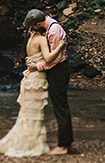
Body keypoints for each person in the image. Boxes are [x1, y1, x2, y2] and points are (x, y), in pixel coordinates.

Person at [0, 24, 67, 157]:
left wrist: (34, 65)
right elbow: (48, 58)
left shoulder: (30, 39)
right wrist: (60, 46)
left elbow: (33, 58)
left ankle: (26, 139)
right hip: (36, 79)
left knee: (27, 113)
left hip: (29, 79)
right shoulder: (41, 40)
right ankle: (32, 143)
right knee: (34, 113)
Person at [23, 9, 74, 155]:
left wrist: (36, 66)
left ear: (39, 23)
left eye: (33, 26)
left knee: (60, 107)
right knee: (61, 106)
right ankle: (67, 143)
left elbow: (55, 59)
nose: (32, 29)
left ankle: (63, 146)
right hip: (56, 71)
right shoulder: (48, 26)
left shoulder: (54, 30)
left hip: (58, 71)